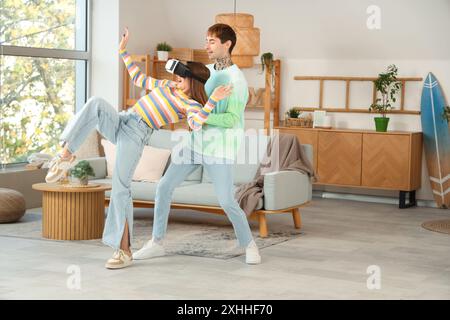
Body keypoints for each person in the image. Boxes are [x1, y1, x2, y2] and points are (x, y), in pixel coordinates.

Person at [45, 28, 233, 269]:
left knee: (121, 188)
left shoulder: (191, 105)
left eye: (181, 78)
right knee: (95, 103)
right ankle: (65, 154)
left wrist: (213, 100)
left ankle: (123, 250)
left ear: (192, 82)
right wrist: (123, 51)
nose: (176, 81)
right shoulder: (167, 87)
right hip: (124, 119)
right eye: (176, 77)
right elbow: (138, 79)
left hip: (135, 135)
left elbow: (196, 125)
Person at [133, 24, 262, 265]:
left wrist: (200, 116)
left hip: (218, 148)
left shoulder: (236, 80)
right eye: (206, 40)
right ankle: (156, 243)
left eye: (212, 41)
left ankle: (249, 245)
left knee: (226, 201)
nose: (206, 45)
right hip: (193, 144)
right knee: (164, 187)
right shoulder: (206, 70)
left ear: (228, 44)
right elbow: (186, 93)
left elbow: (232, 119)